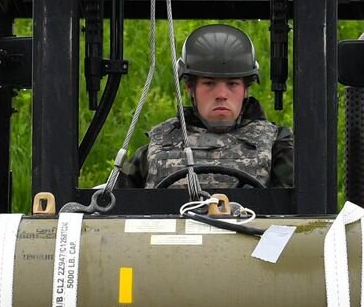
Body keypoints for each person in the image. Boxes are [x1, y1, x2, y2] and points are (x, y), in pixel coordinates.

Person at [119, 24, 294, 190]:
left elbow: (299, 203)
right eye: (209, 83)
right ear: (190, 88)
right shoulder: (156, 147)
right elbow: (114, 202)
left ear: (245, 89)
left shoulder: (277, 145)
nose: (221, 94)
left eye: (232, 84)